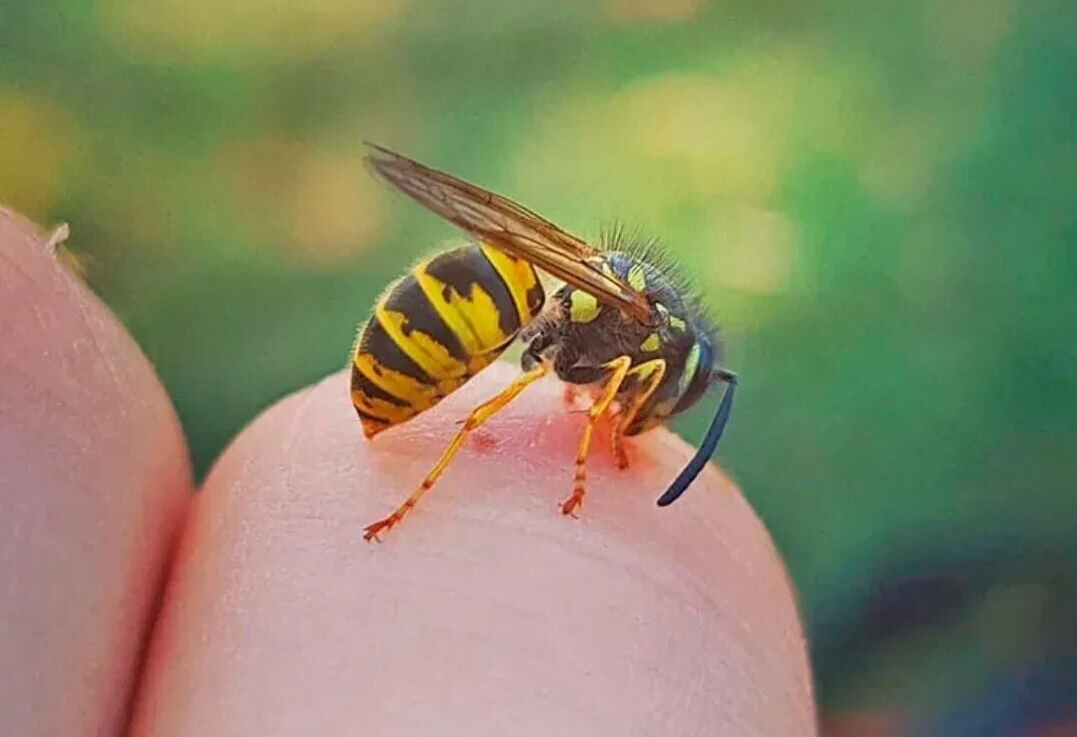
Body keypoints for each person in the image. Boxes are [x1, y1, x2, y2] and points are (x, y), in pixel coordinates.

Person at [0, 208, 815, 735]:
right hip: (441, 332)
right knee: (517, 380)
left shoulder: (614, 328)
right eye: (662, 394)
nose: (655, 411)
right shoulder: (628, 331)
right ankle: (425, 483)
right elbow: (553, 377)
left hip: (483, 317)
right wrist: (576, 465)